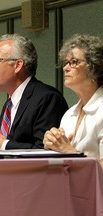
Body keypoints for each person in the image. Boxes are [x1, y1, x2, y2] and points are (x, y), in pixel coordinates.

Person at [0, 33, 69, 149]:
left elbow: (45, 150)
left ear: (18, 65)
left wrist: (3, 144)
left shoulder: (48, 98)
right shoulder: (9, 104)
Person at [43, 34, 103, 166]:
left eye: (74, 62)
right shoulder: (69, 114)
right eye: (65, 63)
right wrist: (53, 145)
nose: (65, 68)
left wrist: (69, 152)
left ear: (95, 67)